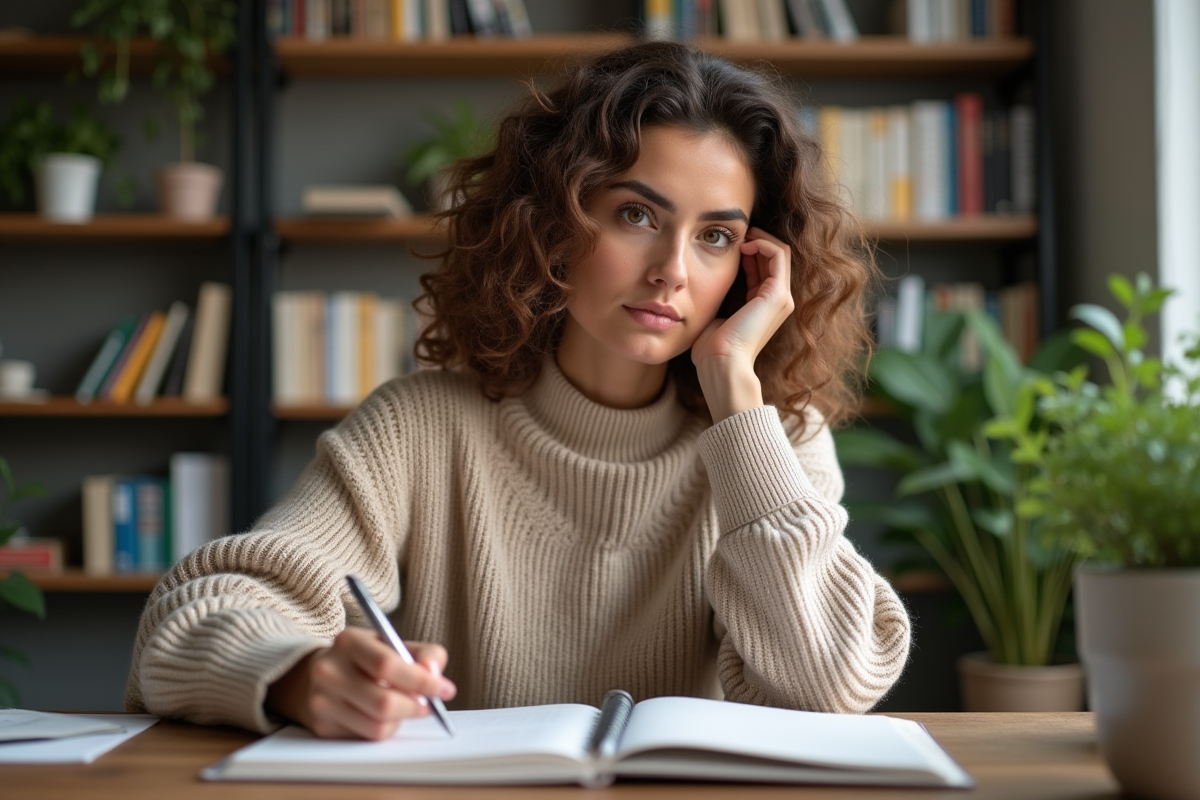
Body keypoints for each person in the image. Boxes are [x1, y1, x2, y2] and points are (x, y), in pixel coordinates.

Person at [127, 40, 911, 739]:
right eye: (637, 213)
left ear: (753, 264)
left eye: (716, 236)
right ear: (552, 223)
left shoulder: (776, 445)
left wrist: (738, 402)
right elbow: (188, 621)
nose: (673, 268)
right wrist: (298, 676)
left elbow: (831, 689)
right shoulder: (420, 429)